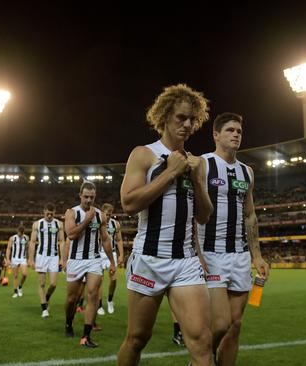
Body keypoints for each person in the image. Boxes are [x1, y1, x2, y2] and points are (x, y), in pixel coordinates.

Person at [117, 84, 213, 366]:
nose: (188, 125)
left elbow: (204, 216)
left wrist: (196, 181)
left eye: (193, 120)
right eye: (181, 118)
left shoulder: (198, 164)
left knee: (202, 342)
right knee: (137, 338)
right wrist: (171, 172)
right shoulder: (144, 155)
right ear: (165, 117)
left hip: (185, 262)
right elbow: (129, 203)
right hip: (148, 259)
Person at [197, 112, 270, 365]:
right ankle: (201, 360)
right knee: (220, 324)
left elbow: (250, 216)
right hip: (211, 254)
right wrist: (195, 253)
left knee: (236, 325)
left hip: (239, 256)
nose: (236, 134)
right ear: (216, 135)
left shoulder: (247, 172)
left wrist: (257, 256)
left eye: (239, 130)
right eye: (230, 130)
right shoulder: (202, 164)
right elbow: (191, 211)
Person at [62, 181, 116, 348]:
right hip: (76, 260)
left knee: (92, 294)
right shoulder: (71, 212)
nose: (88, 200)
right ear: (80, 196)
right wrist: (87, 220)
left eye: (92, 197)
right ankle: (68, 324)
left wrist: (112, 262)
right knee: (72, 299)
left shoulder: (100, 215)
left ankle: (86, 336)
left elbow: (105, 239)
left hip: (94, 259)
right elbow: (70, 234)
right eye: (86, 197)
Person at [29, 203, 64, 318]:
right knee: (42, 283)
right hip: (41, 256)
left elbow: (62, 241)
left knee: (53, 284)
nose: (49, 216)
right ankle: (44, 308)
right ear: (44, 212)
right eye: (47, 213)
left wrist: (62, 258)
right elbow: (33, 242)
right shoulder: (37, 224)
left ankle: (47, 298)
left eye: (51, 214)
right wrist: (31, 259)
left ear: (54, 213)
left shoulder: (59, 224)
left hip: (54, 256)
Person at [96, 203, 124, 315]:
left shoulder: (115, 224)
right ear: (102, 213)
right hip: (98, 253)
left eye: (110, 214)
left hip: (111, 254)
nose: (108, 217)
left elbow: (119, 240)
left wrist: (121, 254)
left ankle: (110, 300)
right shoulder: (97, 223)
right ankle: (99, 306)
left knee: (113, 279)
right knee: (99, 281)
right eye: (106, 214)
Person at [5, 225, 29, 298]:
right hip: (14, 259)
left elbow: (27, 248)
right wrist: (8, 259)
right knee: (15, 276)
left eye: (22, 233)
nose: (20, 234)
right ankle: (15, 291)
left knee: (25, 274)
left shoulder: (26, 238)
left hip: (23, 258)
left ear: (23, 232)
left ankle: (20, 286)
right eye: (19, 233)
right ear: (17, 231)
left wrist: (29, 258)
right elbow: (8, 248)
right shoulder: (12, 238)